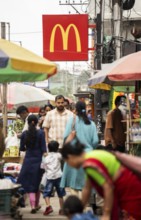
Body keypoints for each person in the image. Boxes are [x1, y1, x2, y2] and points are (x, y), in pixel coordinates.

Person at [62, 141, 141, 220]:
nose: (69, 165)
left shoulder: (90, 163)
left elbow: (108, 188)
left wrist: (107, 213)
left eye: (67, 162)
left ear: (70, 157)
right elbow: (87, 189)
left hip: (128, 189)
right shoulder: (91, 156)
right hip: (129, 185)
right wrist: (80, 210)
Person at [61, 101, 98, 195]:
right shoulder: (91, 123)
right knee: (86, 185)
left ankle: (77, 207)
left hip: (74, 156)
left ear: (76, 109)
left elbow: (65, 137)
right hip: (88, 156)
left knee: (73, 185)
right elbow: (95, 141)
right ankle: (84, 206)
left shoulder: (72, 120)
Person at [18, 115, 47, 214]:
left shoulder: (24, 134)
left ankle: (33, 205)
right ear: (36, 122)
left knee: (30, 183)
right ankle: (36, 204)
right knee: (37, 182)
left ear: (28, 122)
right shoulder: (41, 133)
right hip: (38, 160)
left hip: (28, 160)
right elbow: (44, 148)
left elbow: (21, 148)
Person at [42, 141, 66, 215]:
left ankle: (48, 206)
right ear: (57, 148)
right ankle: (62, 209)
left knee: (46, 193)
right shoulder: (59, 155)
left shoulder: (46, 157)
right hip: (59, 176)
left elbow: (44, 166)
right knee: (60, 194)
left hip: (50, 177)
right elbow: (63, 158)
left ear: (48, 148)